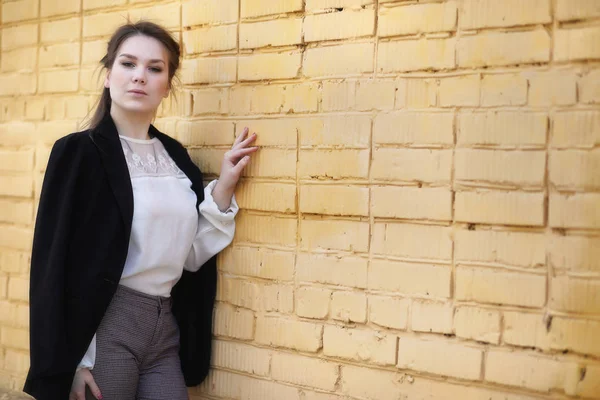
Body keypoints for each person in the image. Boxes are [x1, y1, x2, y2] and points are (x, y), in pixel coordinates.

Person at [23, 21, 257, 400]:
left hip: (165, 328)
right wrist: (75, 360)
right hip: (104, 329)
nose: (139, 77)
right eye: (128, 64)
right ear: (108, 75)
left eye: (154, 68)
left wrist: (225, 185)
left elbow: (191, 256)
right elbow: (53, 265)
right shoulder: (78, 153)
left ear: (167, 85)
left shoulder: (178, 159)